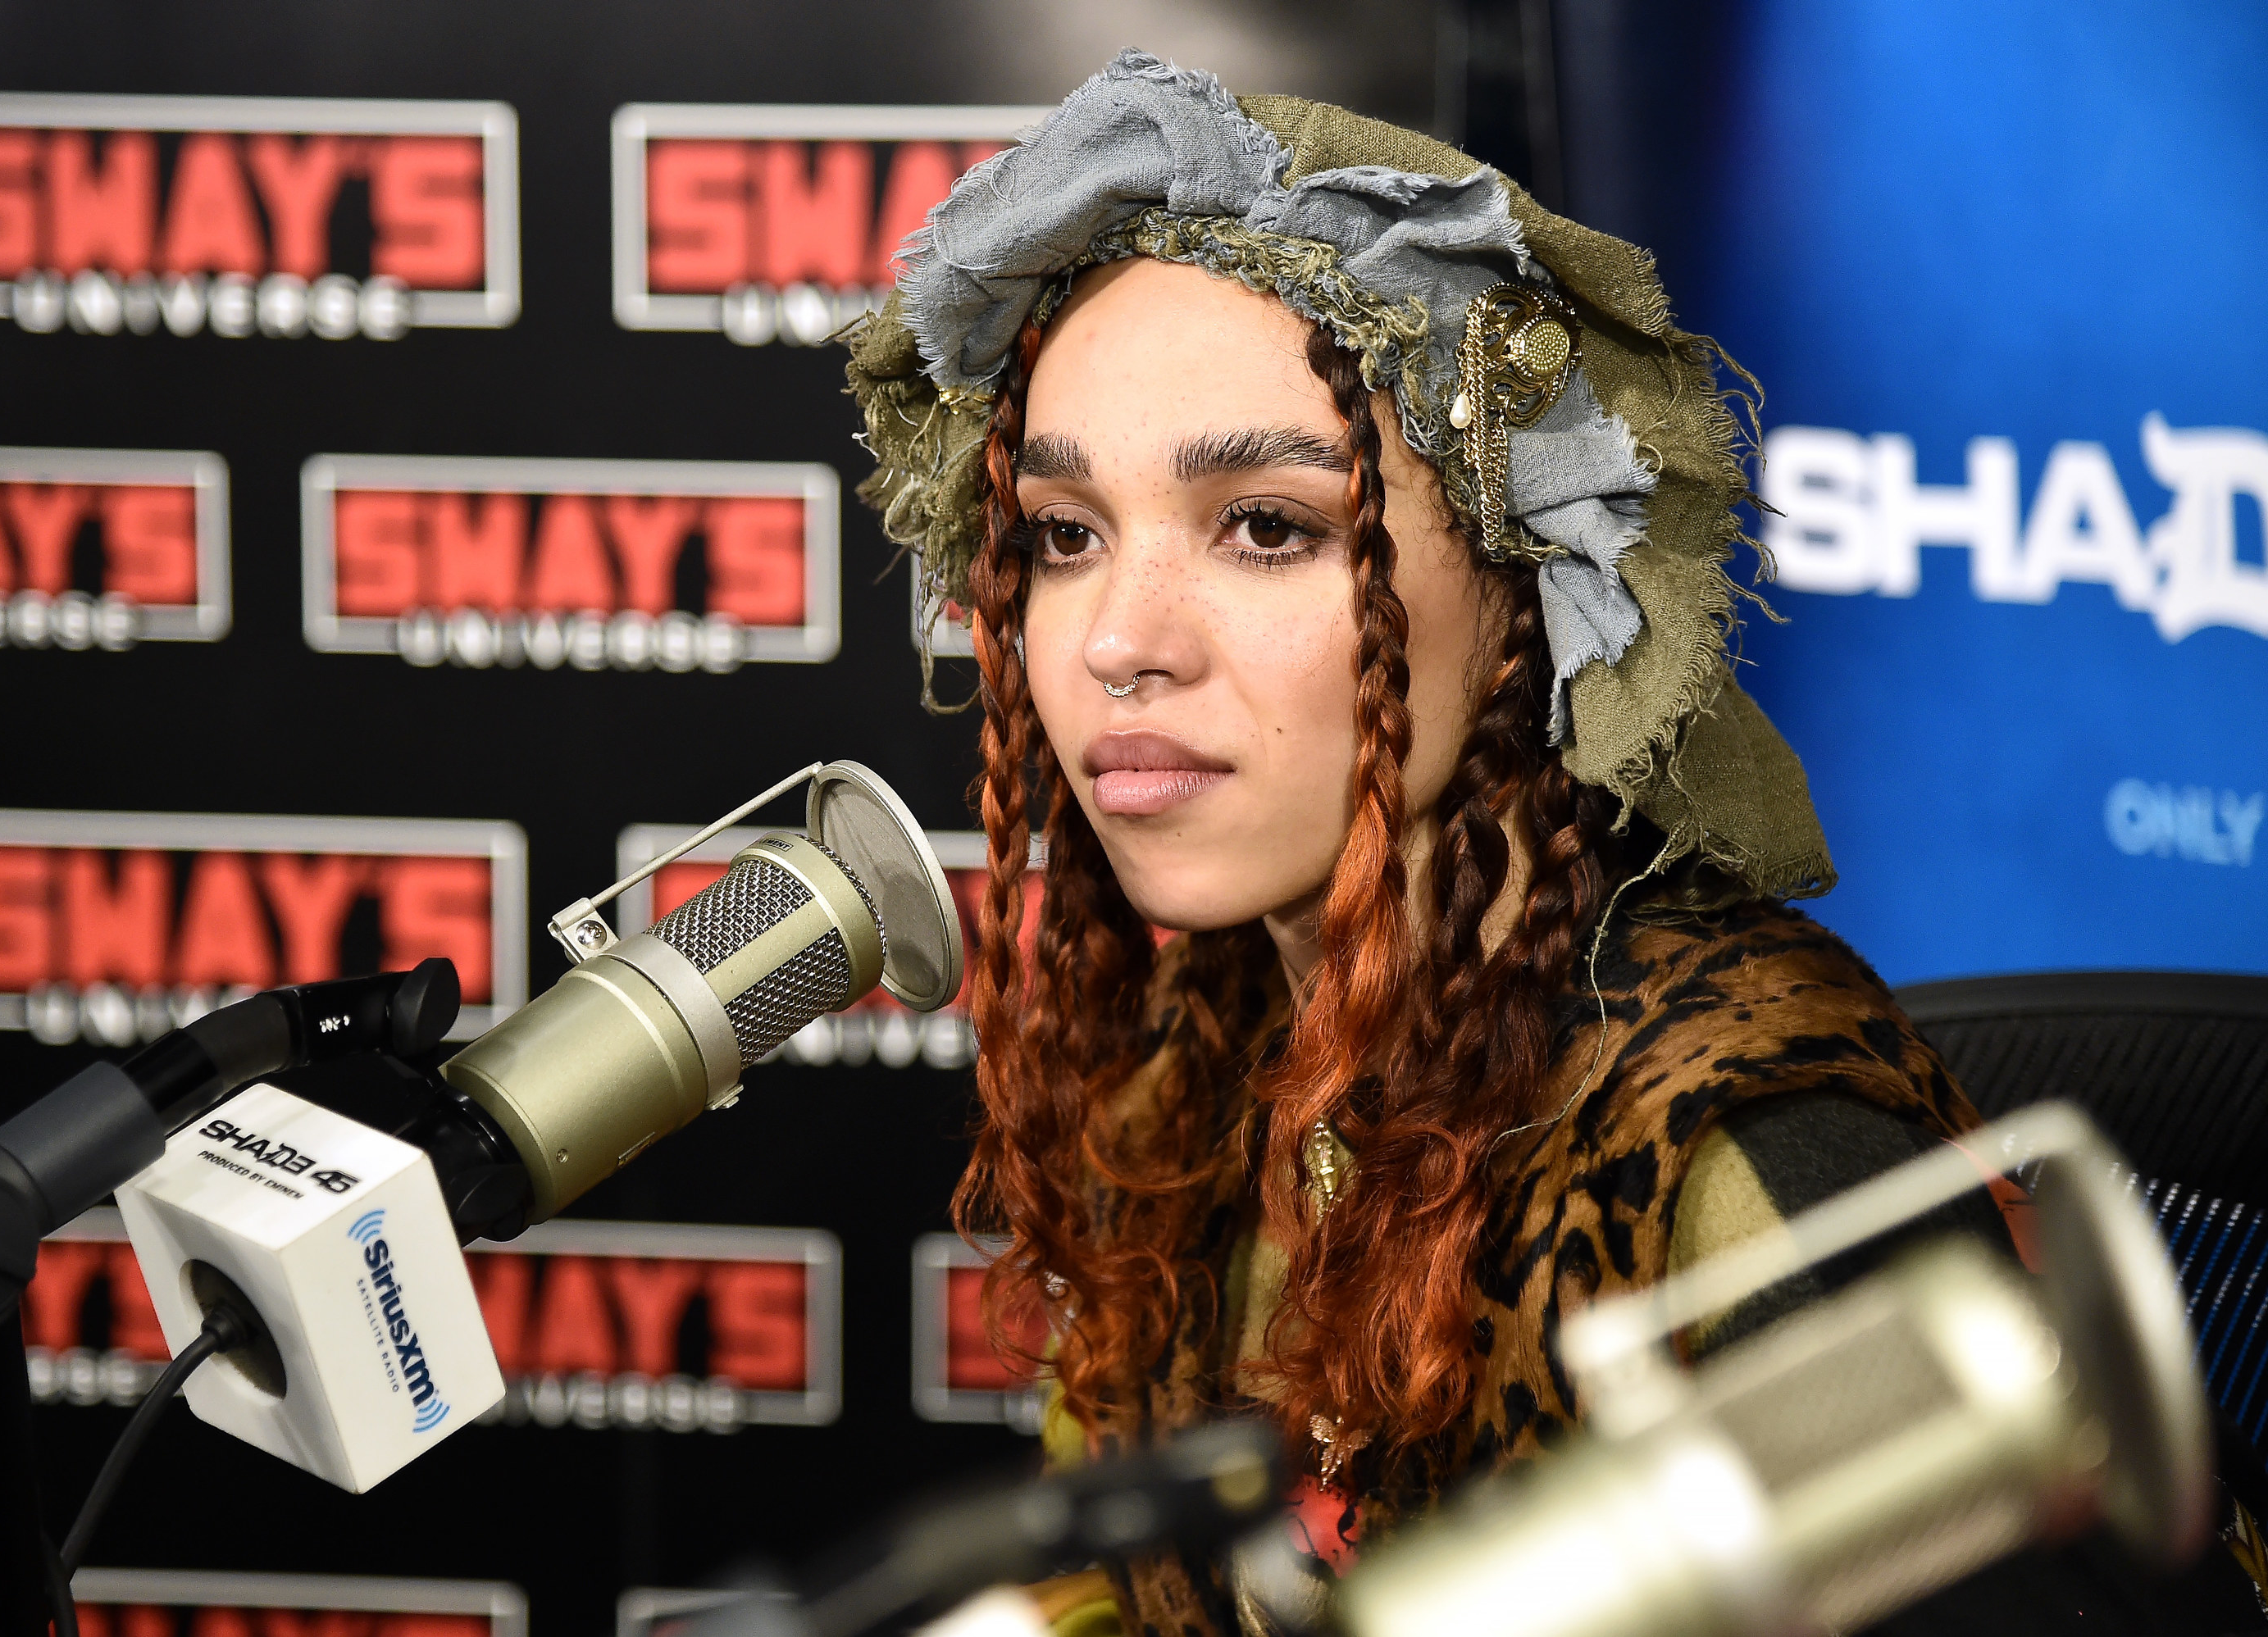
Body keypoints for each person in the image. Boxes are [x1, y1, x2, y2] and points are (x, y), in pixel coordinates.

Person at [845, 52, 2258, 1637]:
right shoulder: (1190, 1070)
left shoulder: (1736, 1160)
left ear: (1526, 579)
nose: (1118, 642)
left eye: (1268, 527)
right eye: (1063, 535)